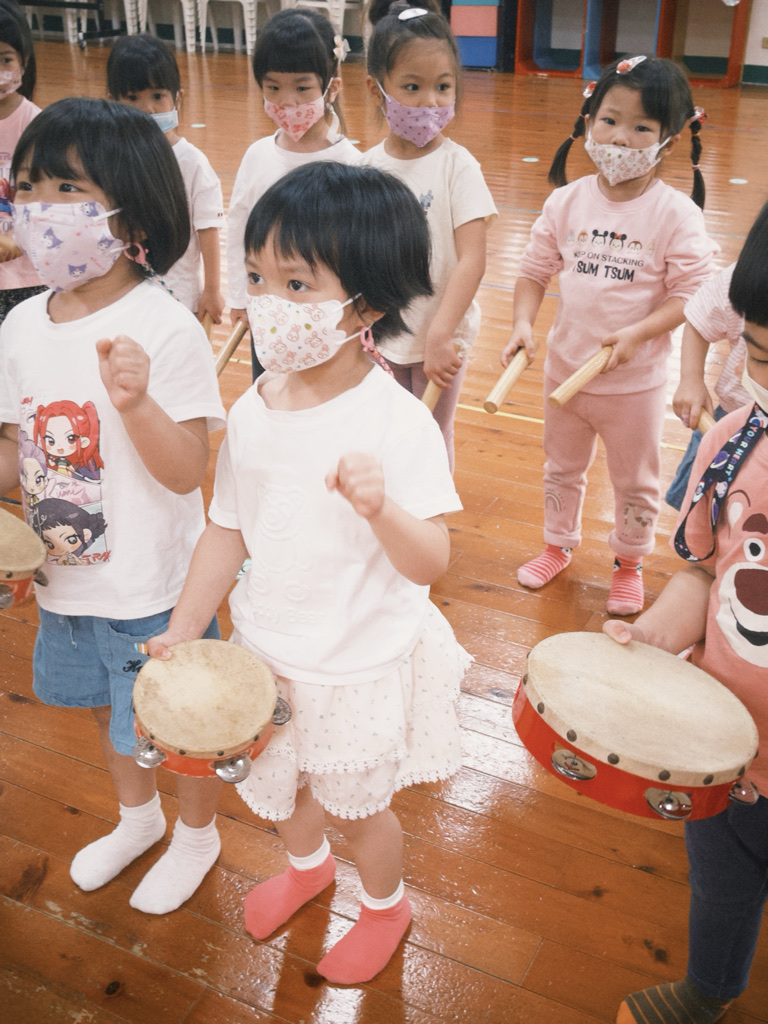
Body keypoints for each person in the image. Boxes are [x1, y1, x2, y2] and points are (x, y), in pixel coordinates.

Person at [148, 161, 469, 984]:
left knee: (358, 813)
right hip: (269, 649)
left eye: (296, 284)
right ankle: (307, 869)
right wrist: (184, 627)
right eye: (257, 278)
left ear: (363, 304)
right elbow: (228, 528)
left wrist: (380, 509)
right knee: (283, 788)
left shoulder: (396, 422)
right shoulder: (255, 406)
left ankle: (386, 908)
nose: (268, 303)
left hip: (354, 663)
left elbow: (431, 559)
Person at [0, 97, 227, 915]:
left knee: (177, 725)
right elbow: (15, 452)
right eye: (28, 186)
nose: (40, 208)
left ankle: (197, 835)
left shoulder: (164, 327)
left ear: (128, 209)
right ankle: (138, 819)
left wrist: (134, 405)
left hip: (152, 588)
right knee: (104, 710)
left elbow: (188, 471)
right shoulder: (21, 326)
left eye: (67, 188)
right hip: (65, 583)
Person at [605, 200, 768, 1024]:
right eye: (764, 354)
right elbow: (703, 572)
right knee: (722, 884)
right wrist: (648, 638)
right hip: (727, 748)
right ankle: (710, 990)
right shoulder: (733, 441)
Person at [500, 55, 716, 615]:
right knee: (561, 468)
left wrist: (638, 333)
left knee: (635, 481)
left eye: (641, 127)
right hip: (564, 368)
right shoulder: (566, 201)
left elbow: (691, 295)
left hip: (634, 383)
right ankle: (557, 546)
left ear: (668, 141)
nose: (621, 138)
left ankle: (628, 563)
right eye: (610, 120)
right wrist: (522, 323)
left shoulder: (675, 214)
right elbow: (533, 271)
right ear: (588, 121)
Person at [361, 0, 496, 471]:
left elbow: (472, 259)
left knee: (430, 440)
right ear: (377, 90)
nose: (431, 102)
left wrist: (441, 334)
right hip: (381, 337)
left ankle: (431, 514)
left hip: (440, 337)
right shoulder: (366, 169)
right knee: (387, 436)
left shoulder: (459, 166)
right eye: (412, 87)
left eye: (443, 86)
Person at [225, 7, 360, 379]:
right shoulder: (258, 156)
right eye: (273, 88)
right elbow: (238, 232)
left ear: (331, 87)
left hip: (330, 323)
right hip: (268, 315)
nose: (287, 102)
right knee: (270, 394)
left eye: (302, 88)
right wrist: (239, 297)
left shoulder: (352, 164)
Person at [106, 33, 224, 325]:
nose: (147, 109)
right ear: (113, 102)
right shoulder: (108, 160)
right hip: (122, 298)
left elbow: (208, 229)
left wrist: (212, 290)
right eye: (132, 98)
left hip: (179, 298)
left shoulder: (192, 162)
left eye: (158, 96)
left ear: (176, 99)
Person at [664, 261, 750, 509]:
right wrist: (691, 379)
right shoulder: (752, 270)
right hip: (734, 421)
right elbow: (701, 315)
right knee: (696, 514)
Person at [0, 0, 43, 323]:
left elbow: (49, 198)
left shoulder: (37, 125)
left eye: (5, 59)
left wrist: (18, 241)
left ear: (23, 63)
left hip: (27, 277)